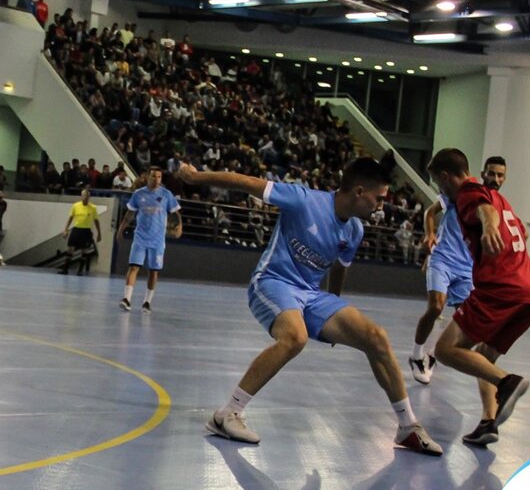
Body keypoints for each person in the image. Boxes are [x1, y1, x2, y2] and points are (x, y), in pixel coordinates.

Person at [178, 152, 443, 456]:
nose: (381, 206)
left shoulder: (355, 229)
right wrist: (197, 178)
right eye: (379, 198)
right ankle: (227, 414)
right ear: (359, 192)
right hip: (273, 282)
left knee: (376, 338)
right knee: (295, 337)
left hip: (312, 295)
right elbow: (247, 183)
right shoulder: (304, 200)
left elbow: (339, 268)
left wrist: (336, 310)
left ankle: (408, 426)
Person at [429, 149, 530, 448]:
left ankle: (508, 383)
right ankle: (488, 423)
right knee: (483, 356)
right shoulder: (502, 199)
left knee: (445, 349)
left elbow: (484, 212)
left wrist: (489, 226)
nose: (440, 191)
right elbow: (520, 233)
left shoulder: (468, 192)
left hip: (500, 289)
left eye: (438, 185)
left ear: (444, 177)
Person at [409, 156, 507, 386]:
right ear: (482, 173)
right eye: (491, 173)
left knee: (471, 324)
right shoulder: (462, 192)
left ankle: (432, 356)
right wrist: (430, 235)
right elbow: (430, 213)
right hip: (442, 259)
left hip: (467, 268)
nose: (495, 179)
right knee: (436, 306)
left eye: (500, 175)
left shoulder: (499, 203)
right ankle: (416, 355)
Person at [115, 166, 181, 313]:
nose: (156, 179)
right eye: (153, 176)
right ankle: (127, 299)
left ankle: (147, 302)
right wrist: (120, 230)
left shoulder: (166, 194)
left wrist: (179, 226)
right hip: (140, 237)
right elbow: (129, 215)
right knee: (133, 267)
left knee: (153, 272)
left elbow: (176, 214)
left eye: (159, 177)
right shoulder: (138, 194)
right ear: (148, 177)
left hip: (157, 240)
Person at [62, 189, 103, 276]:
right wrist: (65, 229)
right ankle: (65, 269)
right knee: (70, 249)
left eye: (88, 196)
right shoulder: (75, 206)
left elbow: (96, 221)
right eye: (84, 195)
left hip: (86, 231)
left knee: (84, 251)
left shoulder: (93, 208)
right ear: (81, 196)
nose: (86, 197)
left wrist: (99, 233)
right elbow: (70, 218)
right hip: (76, 230)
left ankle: (80, 271)